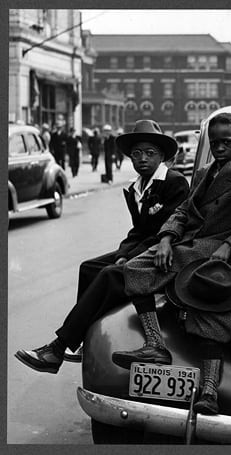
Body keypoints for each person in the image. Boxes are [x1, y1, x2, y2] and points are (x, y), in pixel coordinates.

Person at [111, 112, 231, 415]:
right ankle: (155, 344)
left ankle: (209, 392)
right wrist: (166, 238)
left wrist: (229, 248)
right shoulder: (206, 170)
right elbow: (184, 210)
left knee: (210, 312)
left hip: (215, 253)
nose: (219, 147)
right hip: (187, 246)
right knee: (136, 268)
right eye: (215, 142)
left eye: (227, 142)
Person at [15, 119, 190, 374]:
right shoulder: (136, 187)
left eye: (150, 154)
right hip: (141, 249)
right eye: (136, 154)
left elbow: (167, 231)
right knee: (88, 268)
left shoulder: (174, 182)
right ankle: (85, 339)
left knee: (109, 275)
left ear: (162, 156)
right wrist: (122, 254)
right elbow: (138, 231)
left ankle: (57, 349)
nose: (142, 159)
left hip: (164, 255)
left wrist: (126, 258)